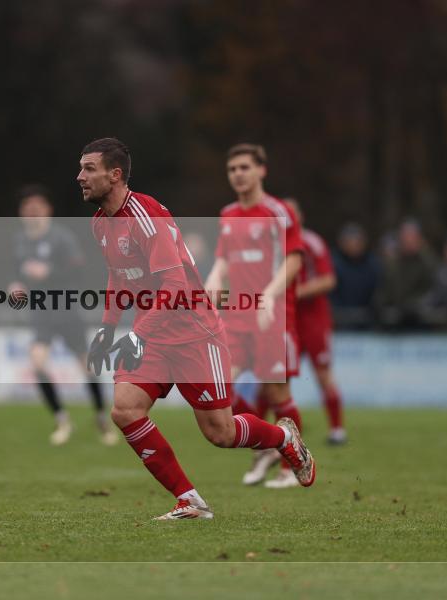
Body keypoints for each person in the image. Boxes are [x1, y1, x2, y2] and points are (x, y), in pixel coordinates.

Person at [77, 137, 316, 520]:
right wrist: (107, 329)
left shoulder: (145, 215)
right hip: (153, 334)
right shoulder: (100, 224)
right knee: (125, 410)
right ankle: (189, 500)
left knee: (220, 433)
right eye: (81, 168)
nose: (80, 177)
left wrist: (135, 334)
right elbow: (118, 277)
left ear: (115, 175)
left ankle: (284, 438)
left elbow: (174, 288)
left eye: (89, 169)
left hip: (193, 331)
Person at [203, 143, 307, 489]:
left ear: (262, 170)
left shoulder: (278, 212)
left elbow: (294, 260)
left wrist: (269, 296)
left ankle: (291, 467)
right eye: (232, 169)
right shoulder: (228, 214)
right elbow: (223, 259)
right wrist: (215, 278)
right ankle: (267, 444)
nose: (238, 175)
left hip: (272, 317)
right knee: (220, 388)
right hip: (236, 318)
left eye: (245, 167)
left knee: (277, 393)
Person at [9, 185, 117, 446]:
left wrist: (49, 273)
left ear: (47, 210)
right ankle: (62, 419)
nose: (32, 213)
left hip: (66, 310)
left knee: (87, 366)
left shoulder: (61, 238)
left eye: (37, 208)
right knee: (37, 363)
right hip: (40, 312)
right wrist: (16, 284)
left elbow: (78, 270)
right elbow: (19, 272)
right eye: (28, 209)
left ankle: (102, 418)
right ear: (22, 212)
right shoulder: (20, 240)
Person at [284, 199, 347, 445]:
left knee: (322, 373)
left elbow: (328, 280)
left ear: (300, 216)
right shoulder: (273, 245)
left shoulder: (311, 243)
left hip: (314, 321)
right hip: (287, 321)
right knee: (275, 378)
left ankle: (337, 429)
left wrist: (295, 291)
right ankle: (269, 433)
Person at [376, 218, 438, 329]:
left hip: (422, 322)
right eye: (405, 237)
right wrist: (380, 303)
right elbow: (386, 289)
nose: (408, 241)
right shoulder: (392, 263)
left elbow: (434, 290)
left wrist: (415, 305)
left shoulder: (428, 262)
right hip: (395, 322)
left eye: (412, 237)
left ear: (419, 239)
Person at [330, 222, 382, 324]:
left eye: (357, 241)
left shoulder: (373, 264)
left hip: (368, 321)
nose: (354, 245)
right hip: (339, 321)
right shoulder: (332, 263)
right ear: (341, 243)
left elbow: (379, 292)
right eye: (349, 241)